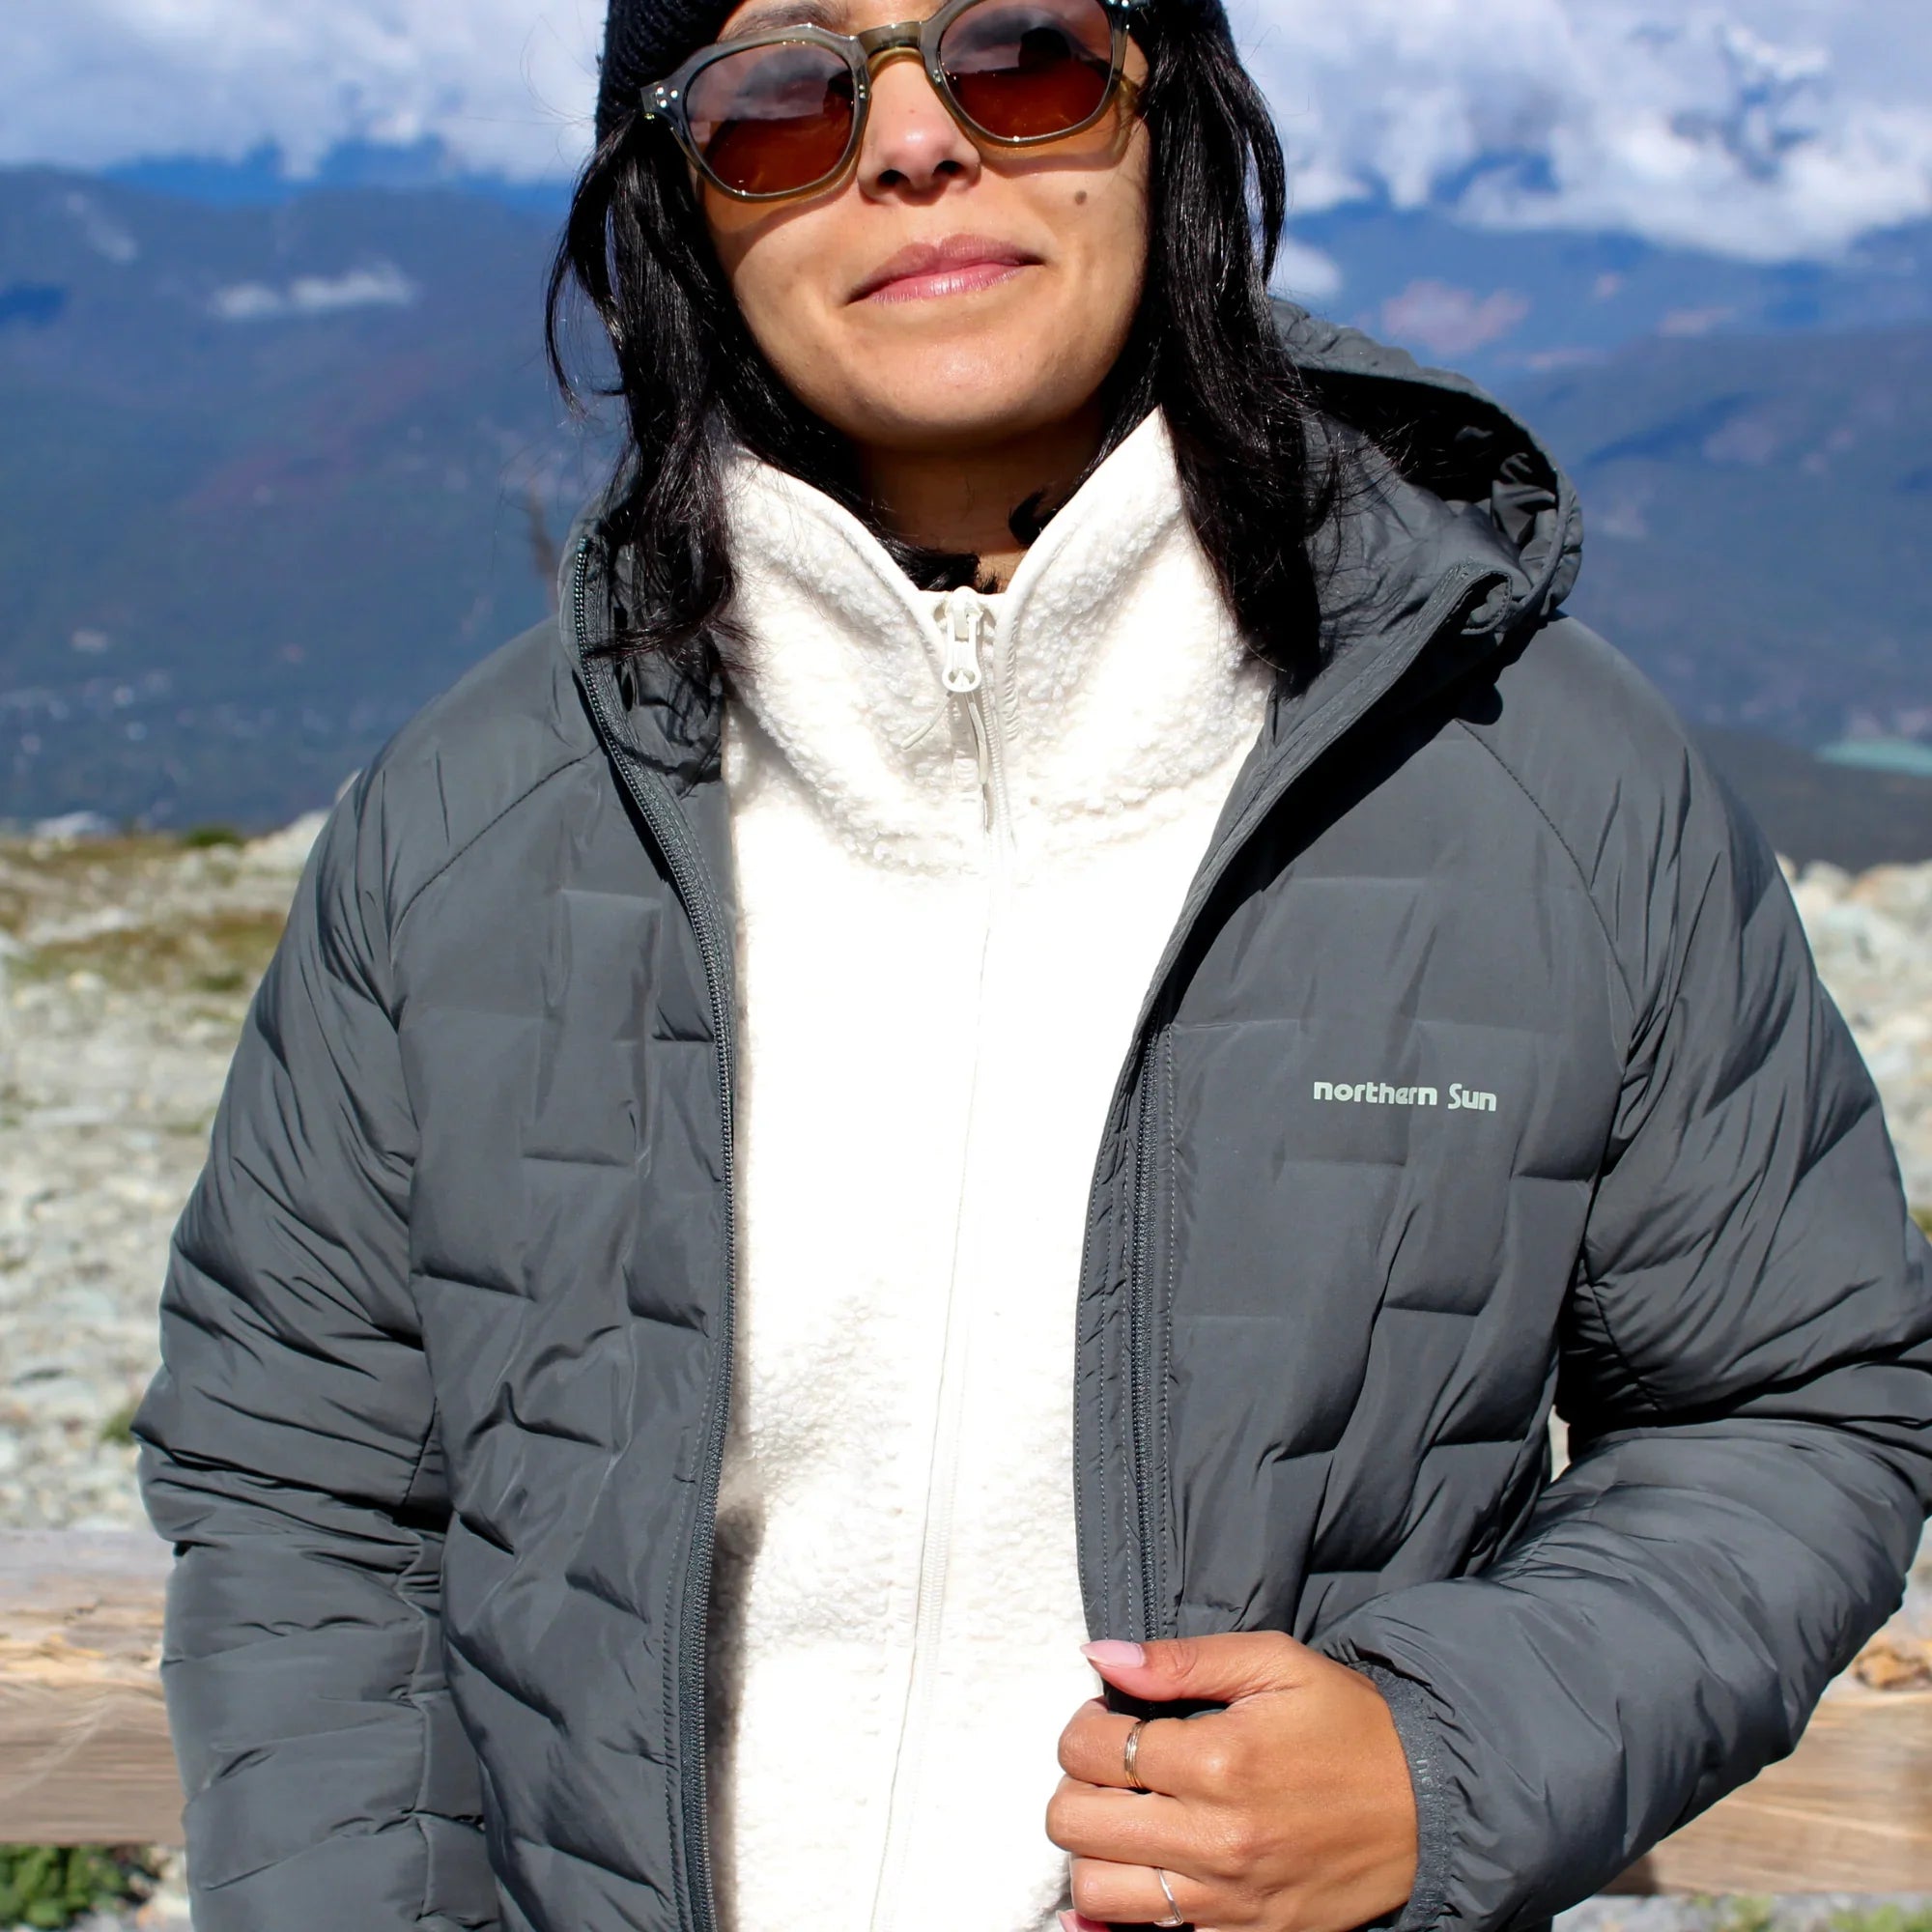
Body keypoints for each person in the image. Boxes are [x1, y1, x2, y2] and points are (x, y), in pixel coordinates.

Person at [132, 0, 1932, 1924]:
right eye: (779, 100)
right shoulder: (464, 828)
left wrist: (1446, 1753)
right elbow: (306, 1503)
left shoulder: (1547, 789)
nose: (910, 141)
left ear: (1171, 112)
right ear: (677, 200)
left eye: (1019, 57)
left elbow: (1795, 1398)